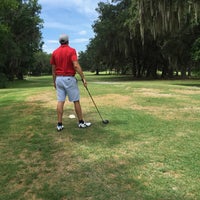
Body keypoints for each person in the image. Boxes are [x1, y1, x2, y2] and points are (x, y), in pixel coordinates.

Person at [50, 34, 91, 131]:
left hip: (59, 79)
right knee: (76, 100)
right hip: (69, 78)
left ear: (60, 42)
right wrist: (83, 78)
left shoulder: (55, 52)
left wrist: (54, 81)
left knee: (60, 101)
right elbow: (76, 65)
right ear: (68, 41)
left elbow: (53, 70)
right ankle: (81, 122)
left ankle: (59, 125)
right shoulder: (71, 50)